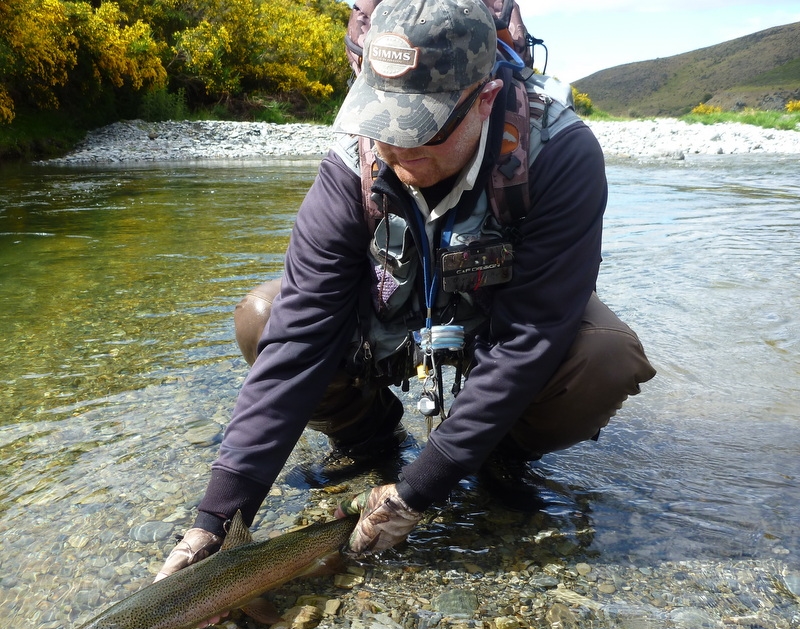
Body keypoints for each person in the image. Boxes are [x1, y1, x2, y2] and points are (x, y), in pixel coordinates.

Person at [155, 0, 655, 580]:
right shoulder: (350, 164)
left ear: (486, 98)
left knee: (604, 358)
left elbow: (530, 337)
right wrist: (216, 518)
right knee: (264, 316)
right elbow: (298, 339)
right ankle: (368, 438)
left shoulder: (559, 154)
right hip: (390, 318)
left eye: (422, 127)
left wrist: (420, 488)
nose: (395, 146)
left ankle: (501, 452)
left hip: (498, 325)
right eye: (382, 120)